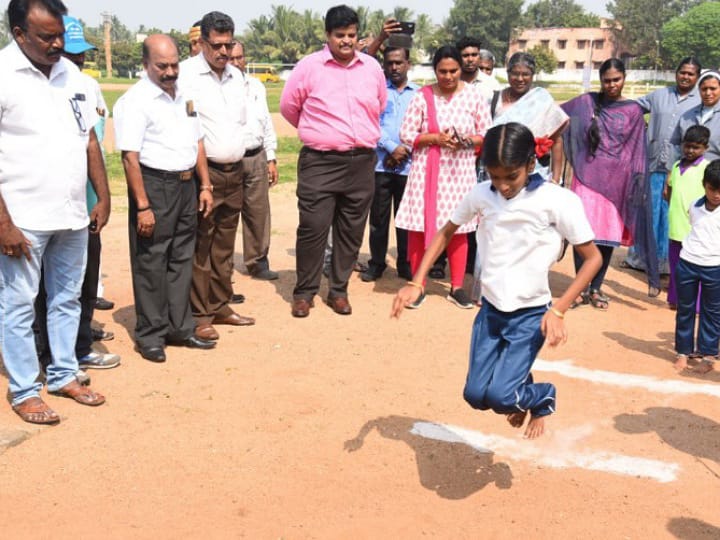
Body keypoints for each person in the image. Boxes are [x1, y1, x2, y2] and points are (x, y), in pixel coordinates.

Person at [391, 123, 602, 439]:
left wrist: (558, 310)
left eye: (511, 176)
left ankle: (542, 397)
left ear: (531, 164)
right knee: (475, 396)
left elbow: (593, 258)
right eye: (494, 176)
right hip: (490, 312)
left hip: (530, 315)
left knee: (502, 397)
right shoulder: (480, 195)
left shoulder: (558, 201)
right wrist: (417, 281)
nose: (502, 185)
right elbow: (446, 231)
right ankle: (520, 386)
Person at [0, 0, 110, 424]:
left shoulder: (75, 77)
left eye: (60, 34)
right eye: (47, 36)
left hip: (71, 214)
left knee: (67, 299)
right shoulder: (4, 75)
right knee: (18, 304)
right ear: (19, 33)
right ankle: (25, 389)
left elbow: (89, 141)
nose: (58, 44)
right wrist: (4, 223)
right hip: (22, 218)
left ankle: (64, 373)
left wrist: (102, 196)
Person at [114, 34, 216, 362]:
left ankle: (180, 327)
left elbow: (197, 140)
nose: (171, 71)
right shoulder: (135, 101)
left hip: (187, 186)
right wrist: (142, 205)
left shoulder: (185, 95)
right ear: (146, 65)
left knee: (181, 257)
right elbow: (130, 157)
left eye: (174, 64)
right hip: (155, 186)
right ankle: (151, 334)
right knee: (151, 261)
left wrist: (205, 185)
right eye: (162, 66)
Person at [280, 5, 387, 318]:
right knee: (313, 229)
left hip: (361, 161)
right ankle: (304, 293)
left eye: (352, 35)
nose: (346, 41)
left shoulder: (371, 67)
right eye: (340, 35)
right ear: (327, 35)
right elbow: (289, 107)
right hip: (320, 162)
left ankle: (338, 291)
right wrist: (322, 132)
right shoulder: (309, 67)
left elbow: (378, 105)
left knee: (351, 231)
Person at [34, 14, 121, 372]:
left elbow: (94, 144)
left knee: (84, 280)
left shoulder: (86, 86)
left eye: (81, 53)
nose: (78, 60)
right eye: (72, 53)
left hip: (84, 203)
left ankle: (80, 343)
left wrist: (101, 197)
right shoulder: (32, 88)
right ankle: (46, 350)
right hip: (43, 207)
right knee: (42, 287)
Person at [394, 45, 491, 309]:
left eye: (453, 71)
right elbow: (406, 133)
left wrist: (465, 141)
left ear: (462, 69)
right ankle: (419, 284)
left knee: (458, 228)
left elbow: (486, 133)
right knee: (418, 226)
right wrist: (434, 138)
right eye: (442, 71)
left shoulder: (473, 96)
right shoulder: (423, 96)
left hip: (459, 172)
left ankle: (457, 286)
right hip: (426, 171)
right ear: (434, 71)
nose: (448, 76)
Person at [179, 11, 256, 340]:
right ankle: (200, 314)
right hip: (204, 174)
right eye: (217, 46)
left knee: (224, 245)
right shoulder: (186, 76)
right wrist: (203, 181)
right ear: (203, 43)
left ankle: (222, 304)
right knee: (202, 244)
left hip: (234, 171)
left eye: (228, 45)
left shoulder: (237, 77)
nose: (223, 52)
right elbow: (187, 129)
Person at [562, 58, 659, 309]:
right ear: (600, 80)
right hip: (586, 179)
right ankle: (579, 288)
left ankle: (595, 288)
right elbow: (557, 116)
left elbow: (637, 150)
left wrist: (636, 183)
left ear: (624, 78)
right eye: (607, 80)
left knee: (605, 238)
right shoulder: (586, 102)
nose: (612, 84)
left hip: (616, 184)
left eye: (616, 79)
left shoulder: (633, 111)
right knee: (581, 234)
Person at [623, 57, 702, 274]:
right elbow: (634, 108)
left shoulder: (700, 101)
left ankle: (666, 263)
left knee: (670, 215)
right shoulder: (659, 95)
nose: (685, 77)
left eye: (691, 74)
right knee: (648, 211)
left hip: (680, 169)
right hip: (651, 162)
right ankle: (640, 259)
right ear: (676, 73)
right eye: (682, 72)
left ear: (697, 76)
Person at [361, 46, 418, 283]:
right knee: (379, 219)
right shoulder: (377, 91)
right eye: (389, 63)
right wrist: (390, 147)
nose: (394, 67)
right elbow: (371, 122)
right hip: (381, 164)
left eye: (399, 62)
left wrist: (404, 149)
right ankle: (376, 263)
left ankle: (405, 263)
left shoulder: (419, 94)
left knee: (405, 218)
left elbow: (423, 125)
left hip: (409, 165)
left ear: (408, 64)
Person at [228, 41, 279, 282]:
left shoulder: (257, 86)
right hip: (229, 159)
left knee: (258, 213)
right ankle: (223, 267)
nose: (236, 62)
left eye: (240, 57)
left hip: (256, 155)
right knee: (226, 215)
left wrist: (271, 157)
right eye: (231, 58)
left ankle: (258, 262)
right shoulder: (219, 87)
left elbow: (266, 121)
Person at [673, 160, 720, 375]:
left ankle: (709, 356)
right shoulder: (695, 206)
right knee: (685, 309)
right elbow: (694, 226)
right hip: (688, 263)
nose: (716, 195)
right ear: (704, 185)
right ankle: (683, 352)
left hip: (715, 267)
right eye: (712, 189)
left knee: (711, 312)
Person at [664, 125, 709, 311]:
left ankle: (696, 304)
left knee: (696, 268)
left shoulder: (706, 168)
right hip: (676, 226)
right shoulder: (675, 167)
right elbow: (669, 191)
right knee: (676, 267)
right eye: (687, 146)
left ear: (705, 148)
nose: (690, 151)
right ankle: (675, 299)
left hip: (696, 229)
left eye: (696, 147)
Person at [672, 70, 720, 163]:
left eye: (713, 88)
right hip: (687, 173)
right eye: (704, 89)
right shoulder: (687, 116)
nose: (708, 93)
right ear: (699, 90)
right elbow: (676, 146)